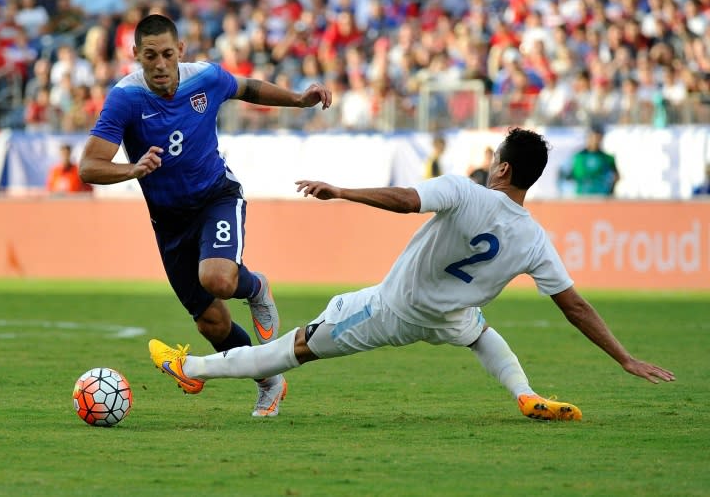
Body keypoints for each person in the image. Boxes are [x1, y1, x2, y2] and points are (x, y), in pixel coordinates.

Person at [149, 127, 675, 421]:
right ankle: (524, 393)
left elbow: (405, 199)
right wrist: (624, 358)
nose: (490, 163)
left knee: (294, 348)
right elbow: (574, 306)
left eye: (495, 158)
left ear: (505, 170)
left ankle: (192, 368)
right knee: (483, 335)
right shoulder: (535, 239)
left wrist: (342, 191)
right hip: (451, 316)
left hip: (392, 311)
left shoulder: (466, 191)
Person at [79, 14, 332, 417]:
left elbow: (249, 88)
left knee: (217, 277)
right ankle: (268, 381)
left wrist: (299, 100)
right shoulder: (125, 98)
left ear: (180, 51)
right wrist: (132, 169)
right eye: (150, 56)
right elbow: (88, 166)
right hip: (169, 223)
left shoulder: (205, 79)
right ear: (135, 56)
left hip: (216, 196)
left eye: (166, 54)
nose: (159, 64)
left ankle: (255, 287)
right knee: (211, 324)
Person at [568, 124, 620, 196]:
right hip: (582, 198)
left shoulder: (608, 158)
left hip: (603, 199)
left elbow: (616, 177)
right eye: (592, 137)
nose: (595, 140)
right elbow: (567, 177)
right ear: (588, 137)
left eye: (598, 137)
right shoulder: (578, 157)